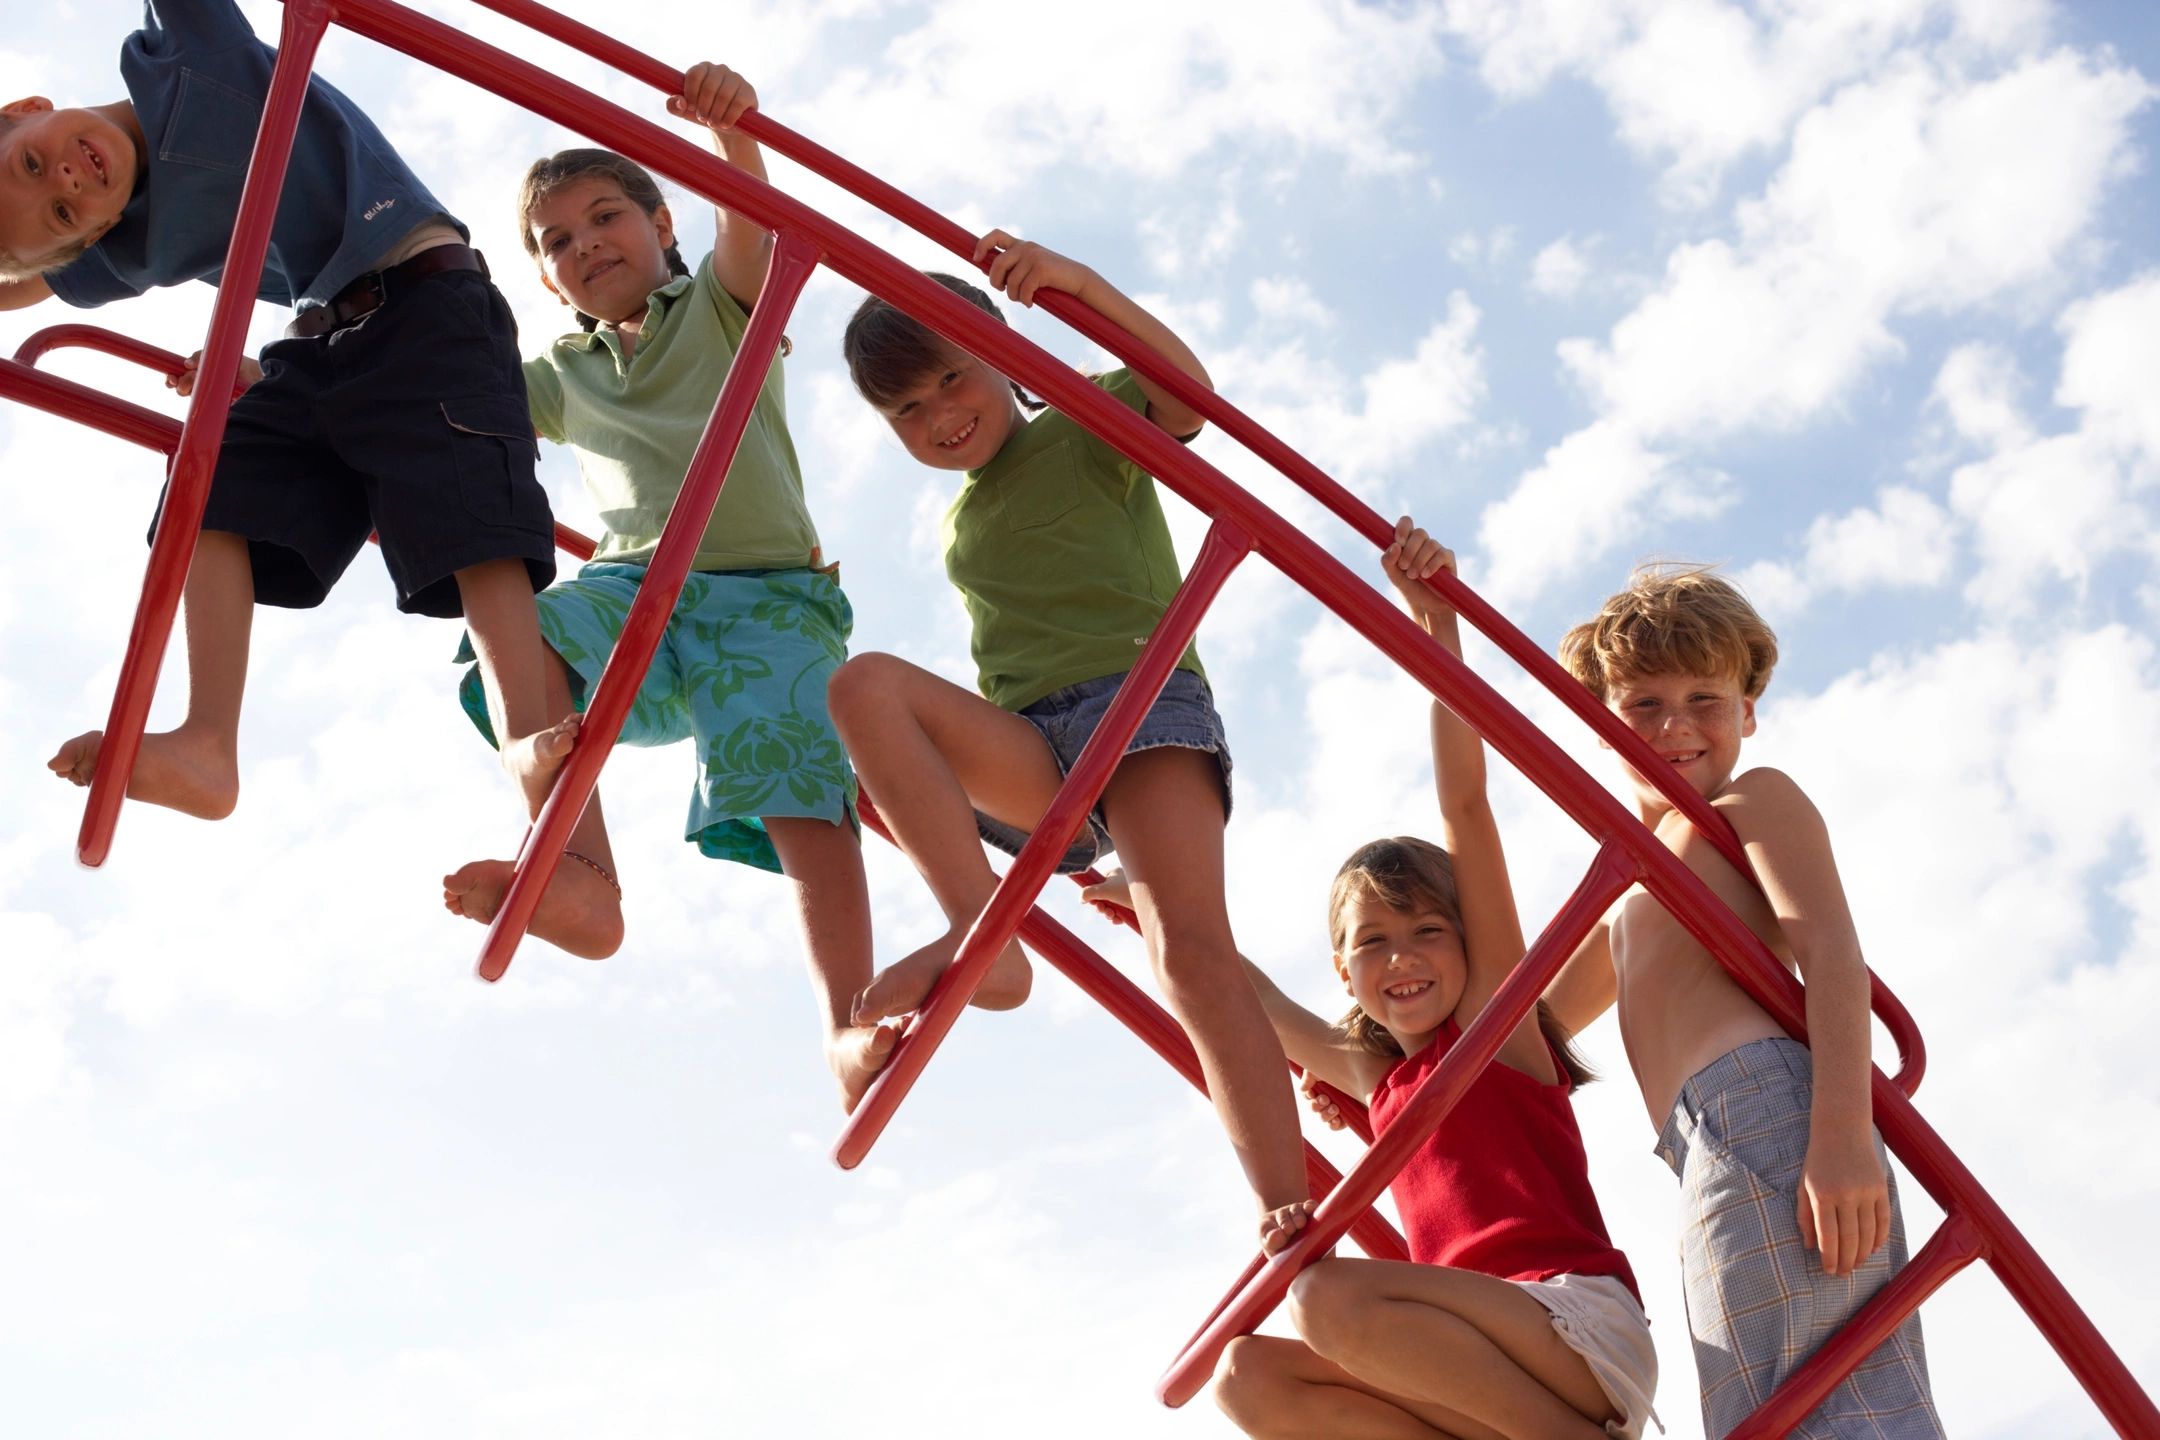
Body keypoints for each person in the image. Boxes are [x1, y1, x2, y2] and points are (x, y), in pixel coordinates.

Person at [1093, 521, 1657, 1439]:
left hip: (1570, 1329)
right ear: (1345, 974)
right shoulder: (1376, 1080)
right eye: (1374, 943)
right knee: (1245, 1376)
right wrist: (1147, 901)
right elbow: (1255, 999)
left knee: (1320, 1298)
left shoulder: (1499, 1032)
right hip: (1477, 1378)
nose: (1401, 959)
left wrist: (1438, 627)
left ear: (1473, 946)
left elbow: (1464, 806)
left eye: (1428, 931)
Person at [438, 65, 895, 1109]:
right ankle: (577, 874)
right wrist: (257, 386)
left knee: (800, 788)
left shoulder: (721, 309)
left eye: (606, 216)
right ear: (547, 283)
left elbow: (758, 230)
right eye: (556, 242)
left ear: (661, 223)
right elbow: (439, 405)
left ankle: (847, 1027)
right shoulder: (564, 372)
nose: (585, 243)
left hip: (768, 597)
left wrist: (734, 137)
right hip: (638, 590)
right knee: (527, 623)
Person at [831, 238, 1309, 1233]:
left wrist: (1080, 289)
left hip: (1141, 704)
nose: (938, 417)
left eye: (950, 379)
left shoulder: (1081, 422)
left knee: (1187, 949)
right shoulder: (962, 522)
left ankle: (1283, 1202)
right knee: (863, 687)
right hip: (1038, 741)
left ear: (1001, 354)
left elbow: (1187, 402)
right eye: (905, 412)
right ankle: (980, 927)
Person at [5, 0, 561, 830]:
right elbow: (18, 285)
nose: (70, 181)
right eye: (61, 212)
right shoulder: (133, 242)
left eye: (28, 166)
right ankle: (206, 746)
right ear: (92, 237)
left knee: (469, 534)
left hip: (423, 291)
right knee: (205, 497)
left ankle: (533, 751)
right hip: (323, 344)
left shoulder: (184, 53)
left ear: (21, 112)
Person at [1544, 564, 1943, 1435]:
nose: (1675, 725)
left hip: (1769, 1111)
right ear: (1599, 722)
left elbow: (1833, 953)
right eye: (1643, 703)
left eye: (1703, 698)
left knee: (1830, 1400)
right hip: (1700, 1145)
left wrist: (1840, 1135)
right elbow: (1532, 1028)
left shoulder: (1746, 802)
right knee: (1766, 1405)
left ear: (1748, 711)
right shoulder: (1633, 884)